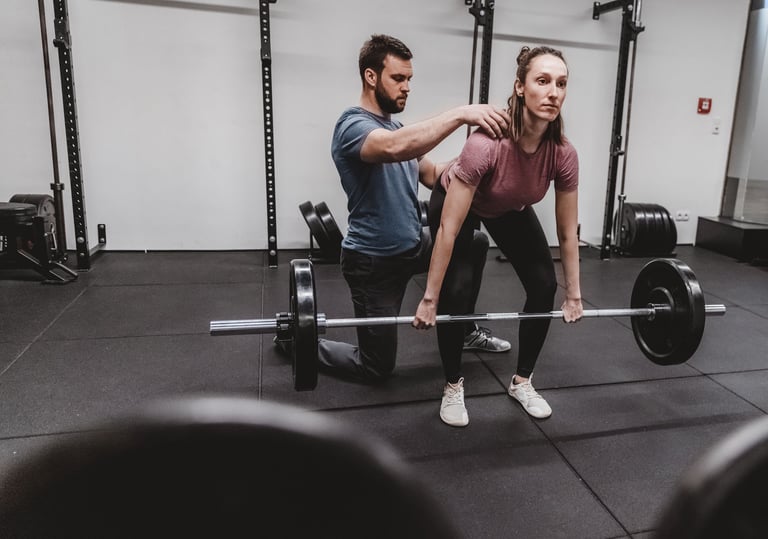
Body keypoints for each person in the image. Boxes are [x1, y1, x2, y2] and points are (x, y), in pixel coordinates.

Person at [299, 34, 512, 384]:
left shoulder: (397, 127)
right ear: (371, 76)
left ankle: (465, 327)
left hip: (414, 245)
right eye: (398, 78)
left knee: (474, 243)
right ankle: (301, 340)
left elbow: (430, 174)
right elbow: (395, 148)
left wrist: (476, 158)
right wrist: (461, 114)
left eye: (409, 79)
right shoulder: (352, 125)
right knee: (377, 368)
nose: (407, 87)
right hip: (373, 264)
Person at [413, 45, 584, 427]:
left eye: (561, 83)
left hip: (508, 206)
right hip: (457, 199)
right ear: (520, 87)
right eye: (542, 81)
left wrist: (573, 293)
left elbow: (566, 233)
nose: (553, 91)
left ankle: (522, 381)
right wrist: (429, 299)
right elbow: (448, 228)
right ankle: (453, 384)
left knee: (543, 286)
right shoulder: (485, 143)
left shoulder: (562, 154)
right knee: (457, 293)